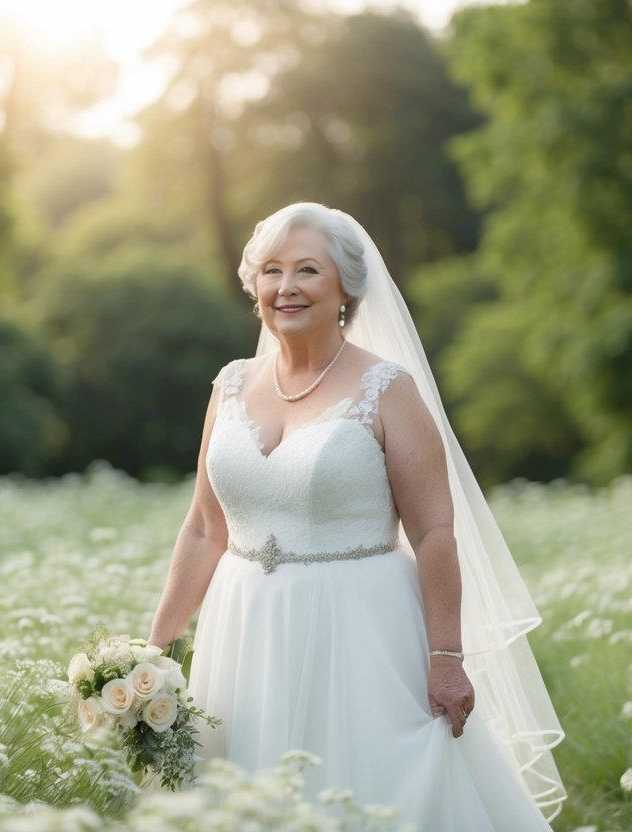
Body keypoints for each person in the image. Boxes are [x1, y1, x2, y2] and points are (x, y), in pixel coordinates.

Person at [146, 203, 564, 829]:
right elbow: (206, 528)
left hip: (360, 628)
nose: (285, 287)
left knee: (364, 792)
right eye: (271, 271)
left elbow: (434, 530)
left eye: (307, 270)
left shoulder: (387, 388)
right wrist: (154, 650)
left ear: (344, 287)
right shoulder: (229, 385)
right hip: (243, 629)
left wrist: (447, 656)